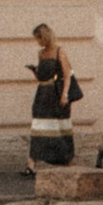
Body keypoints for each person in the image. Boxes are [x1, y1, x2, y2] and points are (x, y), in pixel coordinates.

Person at [28, 22, 79, 170]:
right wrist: (34, 71)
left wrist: (64, 94)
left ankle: (66, 160)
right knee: (38, 126)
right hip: (42, 94)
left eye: (39, 38)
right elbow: (41, 77)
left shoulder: (59, 51)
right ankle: (31, 163)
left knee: (59, 127)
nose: (38, 42)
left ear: (46, 37)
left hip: (56, 94)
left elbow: (67, 75)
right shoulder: (41, 53)